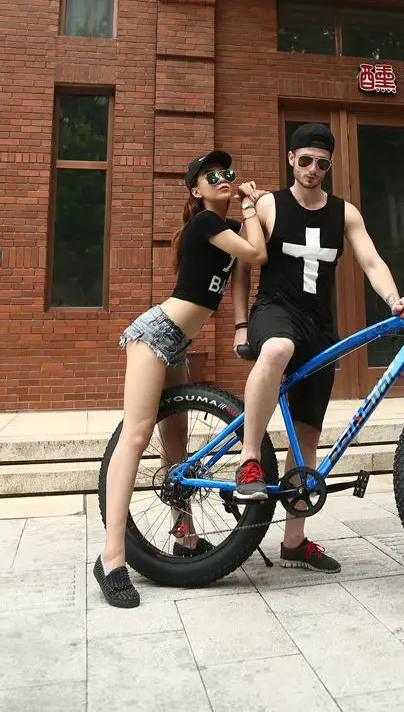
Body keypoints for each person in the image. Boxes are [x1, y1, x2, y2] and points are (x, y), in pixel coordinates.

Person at [230, 123, 404, 574]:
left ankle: (294, 542)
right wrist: (240, 325)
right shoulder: (268, 205)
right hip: (274, 311)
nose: (313, 169)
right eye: (305, 160)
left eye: (321, 163)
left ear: (329, 166)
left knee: (307, 440)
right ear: (291, 160)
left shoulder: (344, 213)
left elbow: (371, 261)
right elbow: (242, 266)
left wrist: (394, 299)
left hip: (319, 327)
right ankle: (249, 461)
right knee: (276, 349)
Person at [94, 150, 267, 608]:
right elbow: (258, 252)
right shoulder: (207, 222)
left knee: (177, 447)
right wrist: (251, 204)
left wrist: (240, 325)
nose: (224, 178)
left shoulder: (225, 229)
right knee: (136, 436)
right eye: (212, 176)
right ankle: (112, 557)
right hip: (155, 335)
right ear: (196, 190)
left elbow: (247, 264)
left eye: (228, 172)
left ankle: (184, 536)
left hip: (178, 342)